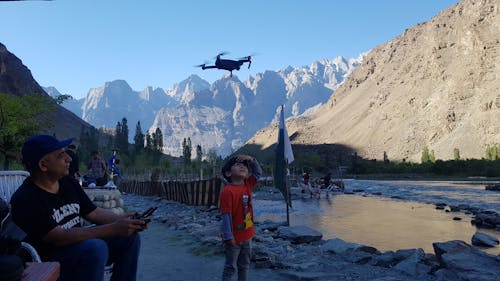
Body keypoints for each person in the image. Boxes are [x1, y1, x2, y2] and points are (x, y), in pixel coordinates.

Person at [10, 135, 146, 281]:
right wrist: (113, 228)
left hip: (78, 246)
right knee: (95, 248)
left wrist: (123, 220)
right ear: (43, 165)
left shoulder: (67, 182)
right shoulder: (25, 199)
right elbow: (59, 237)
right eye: (61, 155)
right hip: (50, 258)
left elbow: (93, 212)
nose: (69, 158)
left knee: (129, 237)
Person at [220, 155, 262, 281]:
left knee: (244, 266)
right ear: (228, 173)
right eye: (238, 165)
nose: (242, 166)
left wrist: (252, 160)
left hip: (247, 235)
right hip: (234, 238)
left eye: (244, 165)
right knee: (230, 267)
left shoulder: (248, 185)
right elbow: (226, 215)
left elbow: (258, 173)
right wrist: (228, 236)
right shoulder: (228, 191)